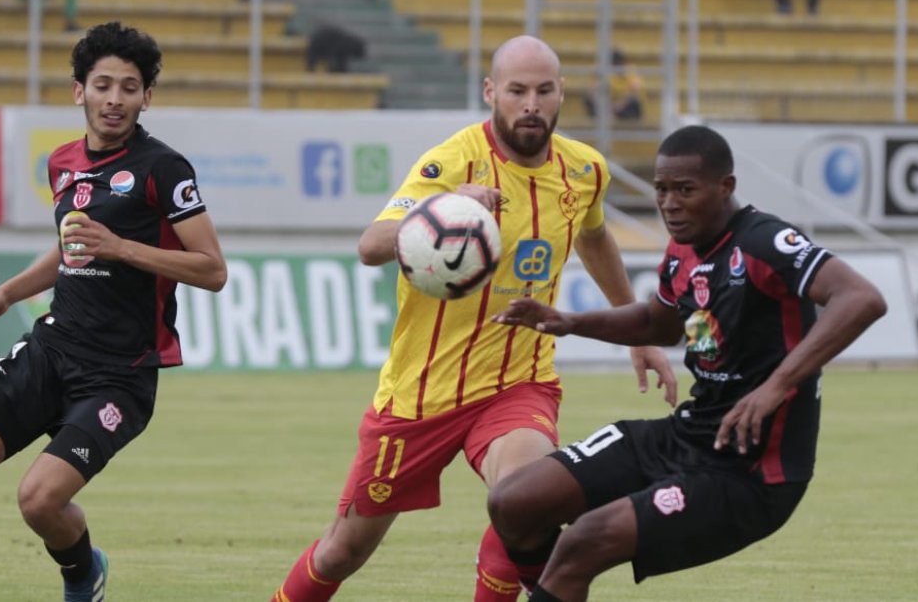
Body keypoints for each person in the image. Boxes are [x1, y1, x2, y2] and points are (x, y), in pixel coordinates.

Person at [270, 35, 674, 602]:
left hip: (517, 385)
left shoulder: (584, 170)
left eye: (544, 91)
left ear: (562, 92)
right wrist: (444, 207)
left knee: (525, 503)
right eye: (516, 91)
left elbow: (594, 236)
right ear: (490, 92)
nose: (530, 104)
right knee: (342, 551)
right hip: (421, 394)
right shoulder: (452, 161)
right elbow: (371, 245)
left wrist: (637, 328)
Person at [0, 21, 228, 602]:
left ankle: (83, 573)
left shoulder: (164, 168)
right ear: (79, 91)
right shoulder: (62, 163)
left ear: (147, 98)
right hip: (49, 351)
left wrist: (122, 247)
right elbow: (69, 247)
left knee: (39, 500)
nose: (115, 99)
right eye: (102, 85)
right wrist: (6, 294)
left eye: (129, 88)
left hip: (119, 373)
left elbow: (212, 269)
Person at [487, 124, 888, 601]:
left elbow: (861, 298)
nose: (669, 203)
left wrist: (776, 386)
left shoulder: (764, 242)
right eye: (661, 189)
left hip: (750, 471)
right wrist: (570, 321)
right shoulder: (684, 250)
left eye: (684, 190)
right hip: (687, 434)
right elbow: (659, 323)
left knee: (583, 541)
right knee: (514, 501)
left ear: (725, 187)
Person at [582, 48, 643, 122]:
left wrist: (618, 106)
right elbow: (592, 91)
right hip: (607, 107)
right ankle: (601, 117)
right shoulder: (603, 72)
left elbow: (634, 91)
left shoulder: (630, 71)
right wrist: (605, 108)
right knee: (588, 97)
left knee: (634, 101)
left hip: (624, 108)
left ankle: (628, 123)